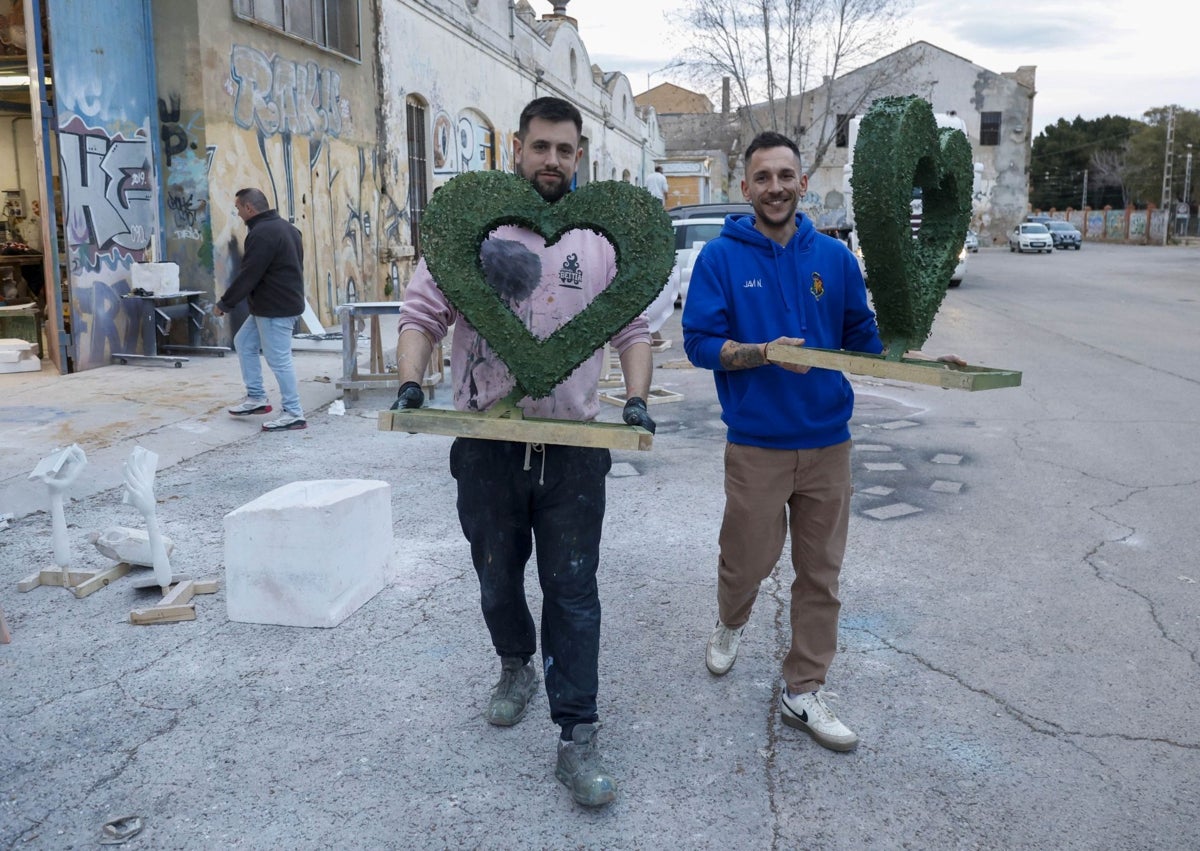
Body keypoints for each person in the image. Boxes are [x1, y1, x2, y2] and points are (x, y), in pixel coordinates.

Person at [393, 96, 657, 807]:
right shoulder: (473, 232)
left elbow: (633, 328)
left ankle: (579, 735)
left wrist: (635, 399)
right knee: (496, 578)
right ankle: (515, 664)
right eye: (540, 147)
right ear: (515, 148)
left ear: (580, 156)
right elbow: (422, 313)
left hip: (573, 449)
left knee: (573, 589)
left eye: (564, 150)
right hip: (487, 445)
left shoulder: (598, 243)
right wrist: (411, 382)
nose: (551, 161)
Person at [681, 131, 883, 752]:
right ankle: (730, 619)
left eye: (785, 176)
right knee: (746, 561)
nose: (775, 187)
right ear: (745, 188)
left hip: (828, 442)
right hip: (758, 444)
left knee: (820, 574)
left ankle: (804, 689)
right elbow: (699, 344)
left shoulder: (835, 260)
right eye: (762, 177)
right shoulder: (721, 258)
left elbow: (866, 338)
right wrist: (764, 354)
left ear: (801, 182)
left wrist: (926, 357)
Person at [214, 188, 307, 432]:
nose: (237, 213)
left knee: (279, 359)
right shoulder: (288, 229)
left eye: (238, 208)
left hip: (275, 309)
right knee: (244, 342)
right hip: (273, 306)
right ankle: (256, 398)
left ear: (249, 208)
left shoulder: (262, 234)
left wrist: (225, 303)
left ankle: (294, 413)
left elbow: (249, 274)